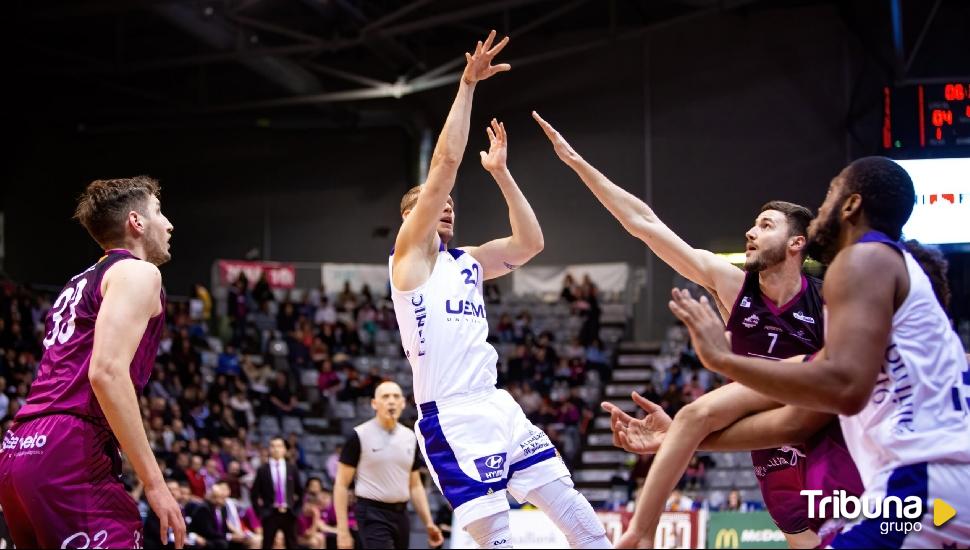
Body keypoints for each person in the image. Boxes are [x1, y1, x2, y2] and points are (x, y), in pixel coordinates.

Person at [534, 112, 837, 547]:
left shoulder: (828, 298)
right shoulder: (731, 283)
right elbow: (644, 224)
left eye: (765, 225)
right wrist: (579, 163)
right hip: (769, 453)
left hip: (827, 439)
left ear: (797, 243)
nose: (750, 232)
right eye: (752, 224)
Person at [666, 156, 970, 548]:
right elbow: (792, 421)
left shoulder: (863, 261)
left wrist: (723, 362)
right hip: (935, 491)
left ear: (851, 205)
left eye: (829, 195)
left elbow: (842, 389)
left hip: (922, 485)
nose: (820, 210)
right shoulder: (920, 342)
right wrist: (683, 436)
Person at [388, 31, 610, 549]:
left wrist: (502, 174)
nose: (444, 206)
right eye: (429, 203)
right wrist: (467, 84)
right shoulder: (408, 259)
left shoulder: (466, 261)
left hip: (496, 403)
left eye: (446, 203)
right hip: (452, 414)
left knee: (573, 509)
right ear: (409, 219)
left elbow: (530, 243)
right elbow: (443, 167)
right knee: (498, 539)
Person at [0, 177, 185, 549]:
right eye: (159, 212)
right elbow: (106, 373)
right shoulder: (138, 272)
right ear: (136, 221)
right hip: (69, 447)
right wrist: (155, 483)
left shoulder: (78, 283)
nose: (169, 224)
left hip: (19, 446)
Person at [333, 381, 443, 549]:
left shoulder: (410, 437)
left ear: (403, 403)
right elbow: (341, 485)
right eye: (385, 396)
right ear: (374, 404)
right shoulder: (359, 436)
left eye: (396, 396)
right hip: (372, 513)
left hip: (401, 515)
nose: (391, 401)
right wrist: (342, 530)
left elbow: (415, 485)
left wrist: (428, 522)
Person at [252, 437, 302, 549]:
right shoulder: (262, 470)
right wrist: (261, 513)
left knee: (292, 544)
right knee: (267, 544)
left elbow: (301, 492)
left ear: (285, 449)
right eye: (273, 446)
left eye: (279, 446)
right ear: (269, 449)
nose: (276, 449)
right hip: (270, 513)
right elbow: (254, 494)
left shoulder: (292, 468)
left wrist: (296, 511)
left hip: (289, 513)